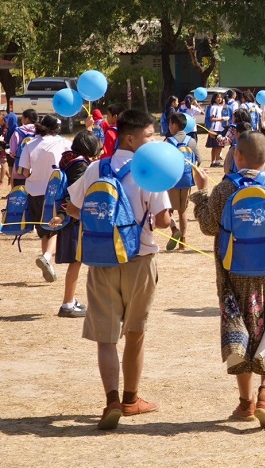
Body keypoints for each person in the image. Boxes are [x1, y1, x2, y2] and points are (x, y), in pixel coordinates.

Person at [65, 109, 173, 430]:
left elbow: (74, 208)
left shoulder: (96, 167)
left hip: (101, 259)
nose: (153, 141)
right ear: (130, 139)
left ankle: (111, 400)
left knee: (106, 337)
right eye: (149, 136)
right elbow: (163, 221)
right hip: (140, 259)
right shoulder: (150, 170)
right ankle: (130, 400)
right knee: (135, 334)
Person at [192, 131, 265, 428]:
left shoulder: (225, 188)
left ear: (237, 156)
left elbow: (208, 227)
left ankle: (246, 403)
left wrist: (201, 193)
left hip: (232, 273)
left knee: (238, 331)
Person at [47, 131, 103, 317]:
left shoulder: (68, 159)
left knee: (76, 261)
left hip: (70, 217)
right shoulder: (80, 165)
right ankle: (67, 304)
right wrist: (63, 215)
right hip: (74, 218)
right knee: (76, 261)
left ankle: (70, 301)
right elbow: (73, 194)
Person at [19, 115, 71, 283]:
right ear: (56, 129)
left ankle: (48, 264)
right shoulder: (62, 143)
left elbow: (24, 172)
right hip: (54, 192)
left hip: (34, 192)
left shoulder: (30, 144)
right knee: (56, 228)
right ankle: (47, 257)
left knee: (43, 230)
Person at [165, 113, 199, 251]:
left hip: (172, 180)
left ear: (174, 125)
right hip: (187, 179)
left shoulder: (168, 141)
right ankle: (183, 241)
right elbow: (198, 160)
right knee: (183, 211)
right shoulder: (192, 141)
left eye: (169, 124)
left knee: (168, 210)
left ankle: (174, 229)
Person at [8, 108, 37, 189]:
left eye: (22, 118)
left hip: (20, 167)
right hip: (36, 167)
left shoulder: (18, 131)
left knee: (18, 190)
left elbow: (13, 151)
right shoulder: (40, 131)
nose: (21, 120)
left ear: (27, 119)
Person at [205, 93, 229, 167]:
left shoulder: (222, 107)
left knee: (219, 146)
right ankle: (213, 162)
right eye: (218, 97)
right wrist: (220, 119)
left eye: (221, 97)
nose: (219, 99)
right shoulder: (213, 107)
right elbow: (212, 118)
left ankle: (217, 161)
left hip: (221, 128)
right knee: (215, 146)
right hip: (215, 128)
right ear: (214, 99)